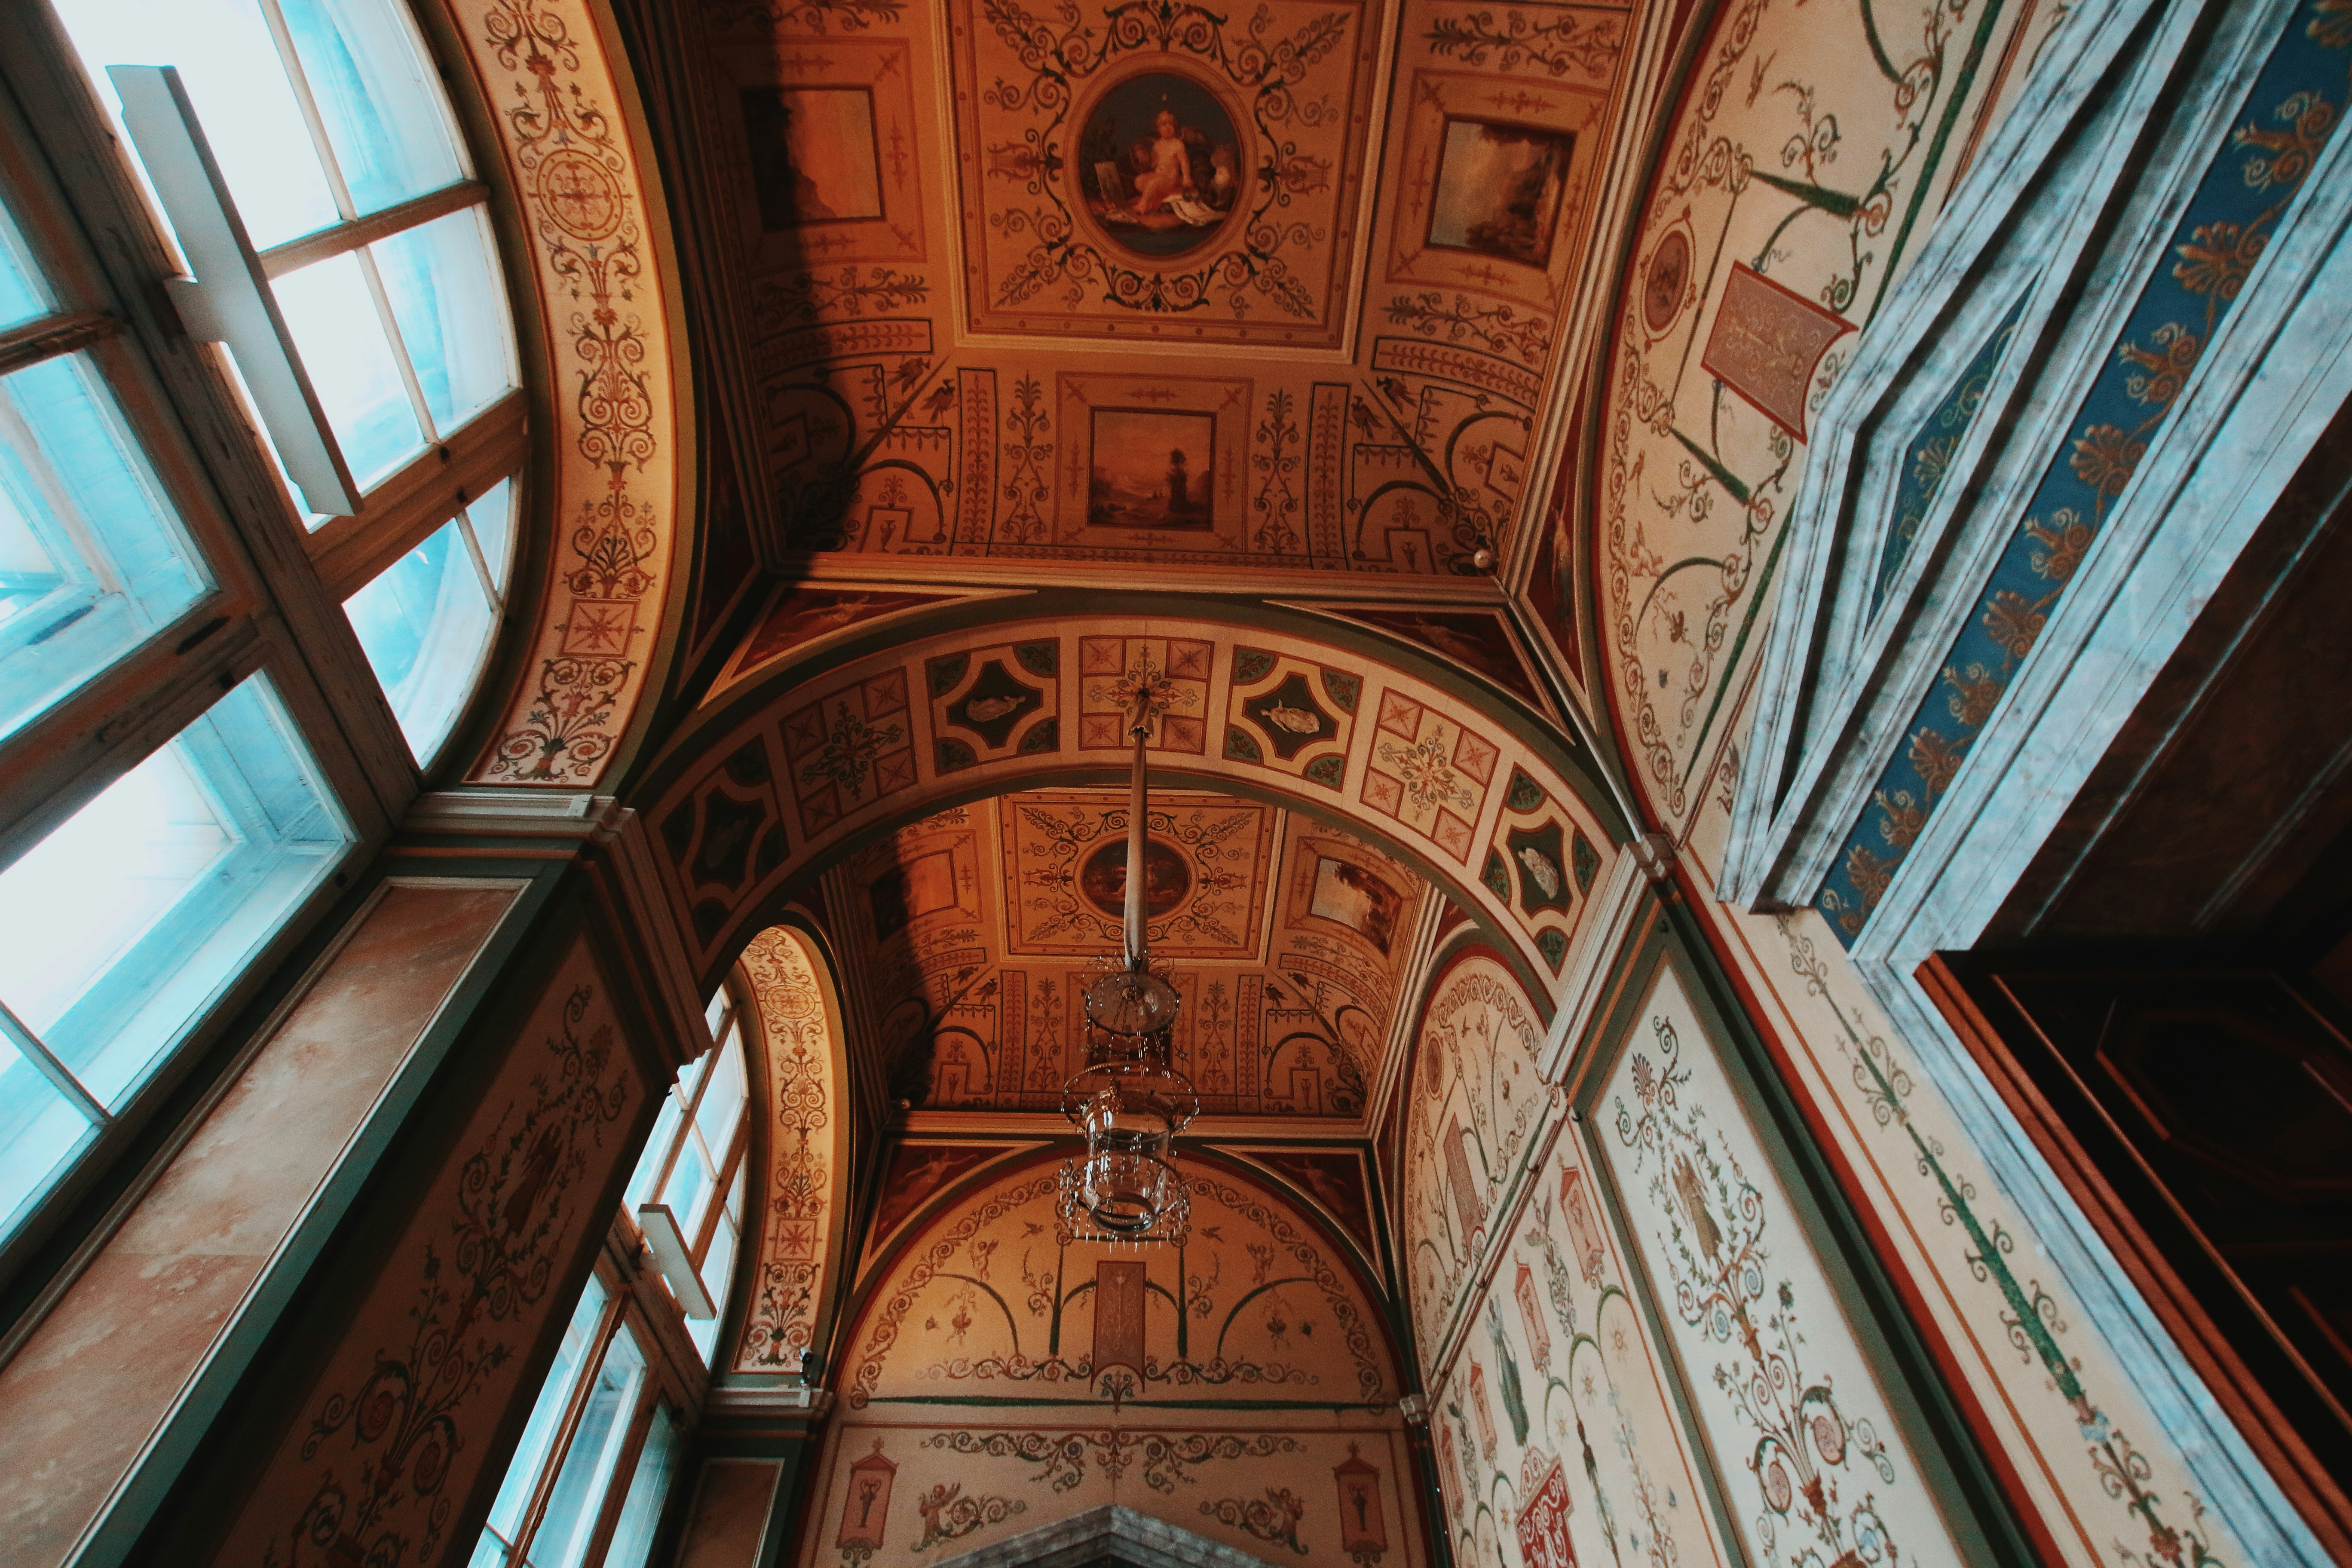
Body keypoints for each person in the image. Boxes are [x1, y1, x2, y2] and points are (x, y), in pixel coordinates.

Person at [1130, 108, 1195, 216]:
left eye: (1171, 124)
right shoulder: (1157, 145)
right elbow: (1154, 164)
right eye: (1164, 124)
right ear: (1158, 129)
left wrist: (1187, 178)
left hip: (1170, 179)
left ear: (1175, 127)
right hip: (1158, 175)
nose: (1168, 127)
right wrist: (1143, 158)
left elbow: (1184, 163)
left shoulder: (1178, 144)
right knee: (1139, 181)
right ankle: (1152, 202)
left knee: (1153, 183)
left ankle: (1143, 205)